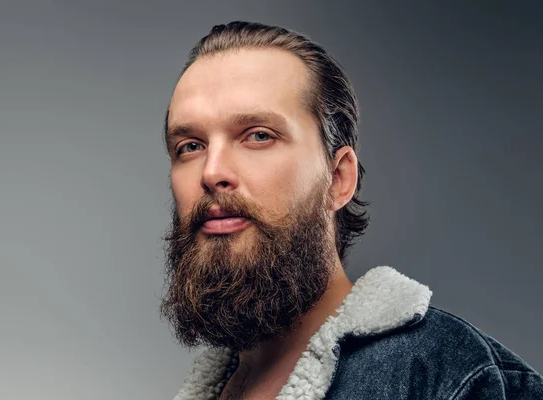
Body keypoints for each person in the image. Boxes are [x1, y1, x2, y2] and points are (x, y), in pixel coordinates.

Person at [159, 21, 543, 400]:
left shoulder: (448, 377)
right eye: (190, 146)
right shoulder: (222, 382)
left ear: (339, 178)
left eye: (259, 135)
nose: (212, 172)